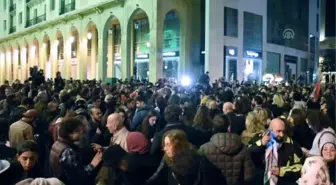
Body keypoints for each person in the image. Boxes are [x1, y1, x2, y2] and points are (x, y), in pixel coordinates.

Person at [146, 129, 226, 185]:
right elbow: (157, 175)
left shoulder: (197, 159)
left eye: (168, 145)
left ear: (179, 145)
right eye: (164, 145)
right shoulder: (167, 156)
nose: (164, 148)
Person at [199, 114, 254, 185]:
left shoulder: (204, 148)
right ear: (229, 127)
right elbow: (249, 174)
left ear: (213, 128)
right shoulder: (242, 146)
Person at [249, 118, 304, 185]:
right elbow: (248, 154)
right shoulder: (258, 139)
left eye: (283, 131)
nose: (282, 135)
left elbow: (300, 167)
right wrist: (261, 144)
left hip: (282, 181)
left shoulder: (292, 144)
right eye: (278, 131)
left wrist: (282, 171)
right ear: (270, 130)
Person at [50, 118, 103, 185]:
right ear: (72, 133)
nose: (82, 135)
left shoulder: (57, 143)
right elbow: (76, 178)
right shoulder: (67, 151)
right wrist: (93, 164)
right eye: (80, 132)